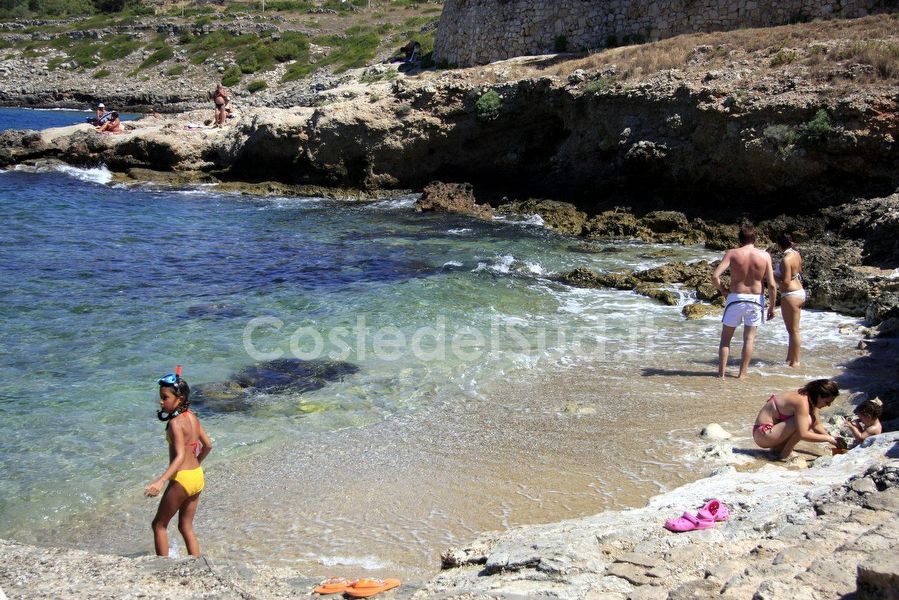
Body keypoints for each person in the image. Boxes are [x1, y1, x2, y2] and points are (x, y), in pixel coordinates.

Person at [145, 367, 212, 557]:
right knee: (186, 526)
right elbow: (208, 445)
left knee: (158, 525)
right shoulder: (192, 417)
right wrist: (196, 464)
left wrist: (161, 481)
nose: (161, 401)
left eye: (165, 397)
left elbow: (180, 456)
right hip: (197, 477)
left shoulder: (175, 423)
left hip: (182, 479)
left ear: (179, 399)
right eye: (161, 397)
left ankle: (163, 568)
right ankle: (197, 564)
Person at [711, 223, 777, 378]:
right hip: (755, 299)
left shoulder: (732, 253)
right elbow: (772, 285)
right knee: (749, 339)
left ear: (739, 239)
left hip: (735, 297)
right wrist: (772, 307)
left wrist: (723, 290)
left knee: (725, 339)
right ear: (755, 238)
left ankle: (721, 375)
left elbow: (715, 276)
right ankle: (742, 374)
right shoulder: (765, 256)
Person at [752, 378, 840, 459]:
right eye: (827, 402)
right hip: (763, 434)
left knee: (810, 419)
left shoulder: (810, 399)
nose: (828, 405)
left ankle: (778, 450)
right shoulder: (801, 401)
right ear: (819, 395)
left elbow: (816, 425)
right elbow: (803, 434)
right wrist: (828, 439)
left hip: (770, 434)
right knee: (808, 420)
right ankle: (785, 454)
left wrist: (833, 440)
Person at [775, 233, 805, 367]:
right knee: (793, 330)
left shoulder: (786, 259)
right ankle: (790, 358)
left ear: (778, 245)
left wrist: (770, 275)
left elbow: (785, 282)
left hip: (790, 294)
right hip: (799, 292)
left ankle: (796, 362)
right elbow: (798, 271)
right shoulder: (796, 254)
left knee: (793, 331)